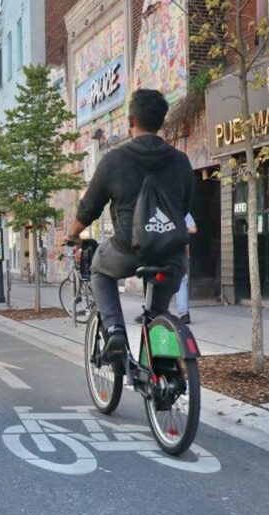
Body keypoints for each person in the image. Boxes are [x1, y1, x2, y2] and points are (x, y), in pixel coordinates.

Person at [65, 89, 193, 358]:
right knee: (157, 313)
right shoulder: (181, 161)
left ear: (131, 121)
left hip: (128, 251)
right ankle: (163, 370)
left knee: (99, 269)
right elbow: (184, 207)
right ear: (161, 121)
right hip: (172, 254)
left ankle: (115, 331)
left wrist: (73, 234)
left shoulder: (114, 160)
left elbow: (89, 208)